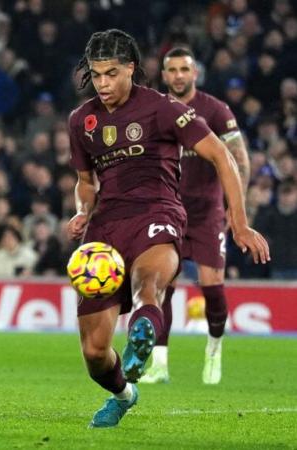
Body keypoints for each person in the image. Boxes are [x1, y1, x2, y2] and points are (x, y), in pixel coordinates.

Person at [66, 29, 269, 428]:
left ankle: (144, 333)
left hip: (158, 211)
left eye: (111, 74)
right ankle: (124, 394)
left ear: (131, 69)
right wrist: (81, 210)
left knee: (148, 285)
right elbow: (86, 182)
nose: (103, 84)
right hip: (106, 228)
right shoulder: (81, 120)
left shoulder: (163, 108)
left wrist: (240, 222)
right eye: (96, 75)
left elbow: (222, 157)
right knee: (94, 352)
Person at [140, 47, 251, 386]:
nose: (178, 75)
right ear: (164, 75)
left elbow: (240, 161)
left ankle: (214, 349)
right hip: (168, 210)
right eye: (171, 70)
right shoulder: (155, 110)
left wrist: (237, 207)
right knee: (163, 287)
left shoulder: (215, 111)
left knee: (212, 288)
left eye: (183, 69)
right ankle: (159, 364)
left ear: (194, 73)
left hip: (207, 211)